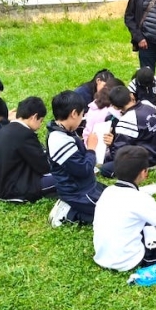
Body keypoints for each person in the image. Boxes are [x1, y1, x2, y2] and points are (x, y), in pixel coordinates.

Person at [46, 91, 106, 227]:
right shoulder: (59, 139)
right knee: (112, 214)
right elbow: (83, 170)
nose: (82, 119)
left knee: (116, 198)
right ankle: (68, 213)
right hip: (78, 192)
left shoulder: (63, 131)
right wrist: (91, 149)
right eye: (81, 115)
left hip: (86, 185)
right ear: (74, 114)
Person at [0, 97, 56, 203]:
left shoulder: (5, 129)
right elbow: (44, 167)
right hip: (12, 190)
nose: (40, 126)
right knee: (65, 176)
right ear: (34, 117)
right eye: (40, 121)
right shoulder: (24, 134)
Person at [98, 86, 156, 177]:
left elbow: (118, 155)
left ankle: (135, 172)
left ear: (115, 107)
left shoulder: (127, 120)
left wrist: (111, 144)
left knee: (105, 168)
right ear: (132, 95)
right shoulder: (149, 106)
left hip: (144, 161)